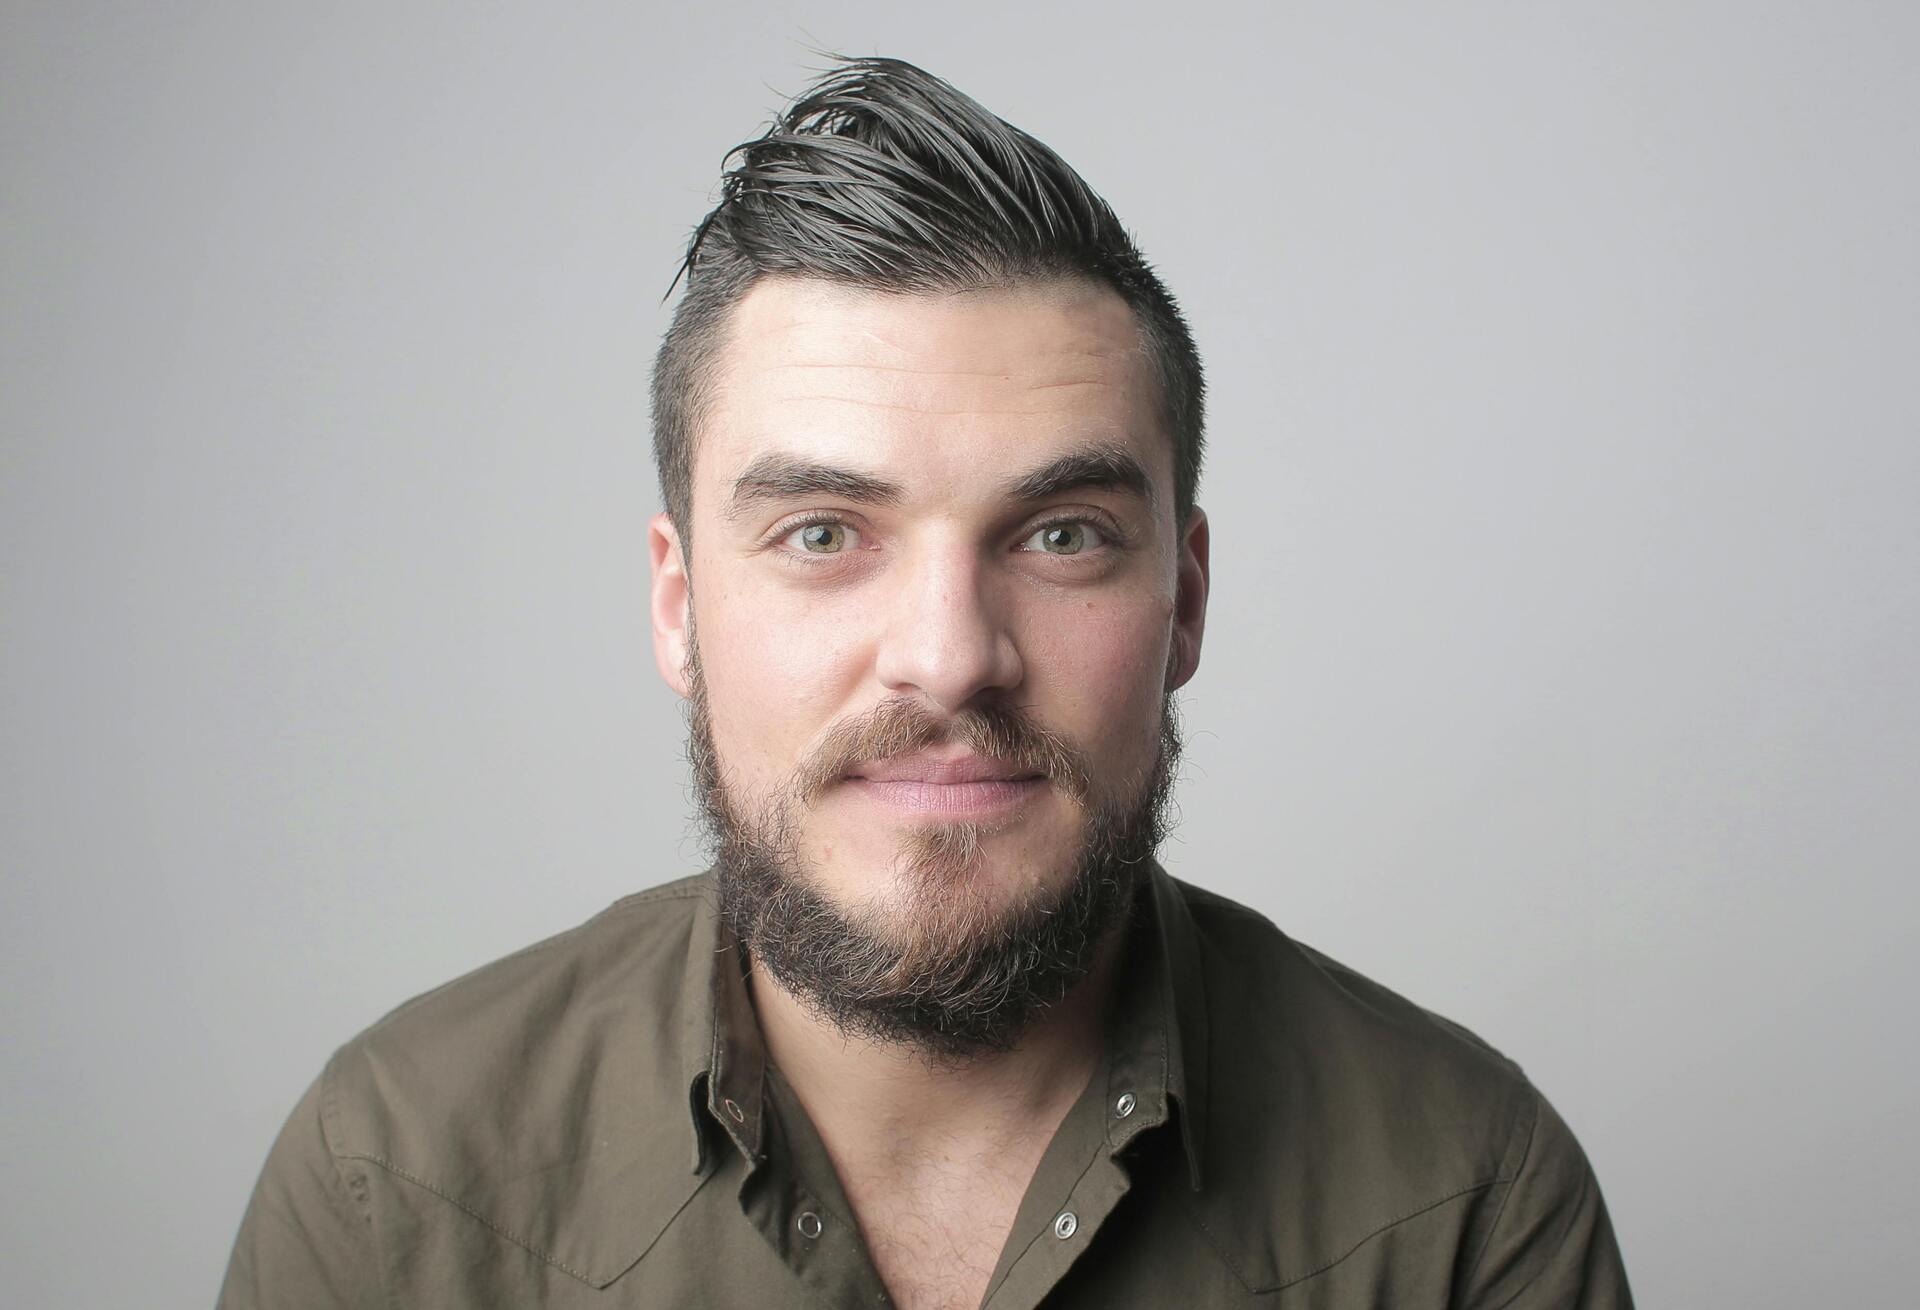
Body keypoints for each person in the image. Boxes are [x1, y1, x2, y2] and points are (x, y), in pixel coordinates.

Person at [220, 56, 1632, 1309]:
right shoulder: (394, 1186)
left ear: (1185, 601)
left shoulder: (1464, 1203)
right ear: (680, 604)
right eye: (823, 534)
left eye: (1061, 535)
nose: (951, 656)